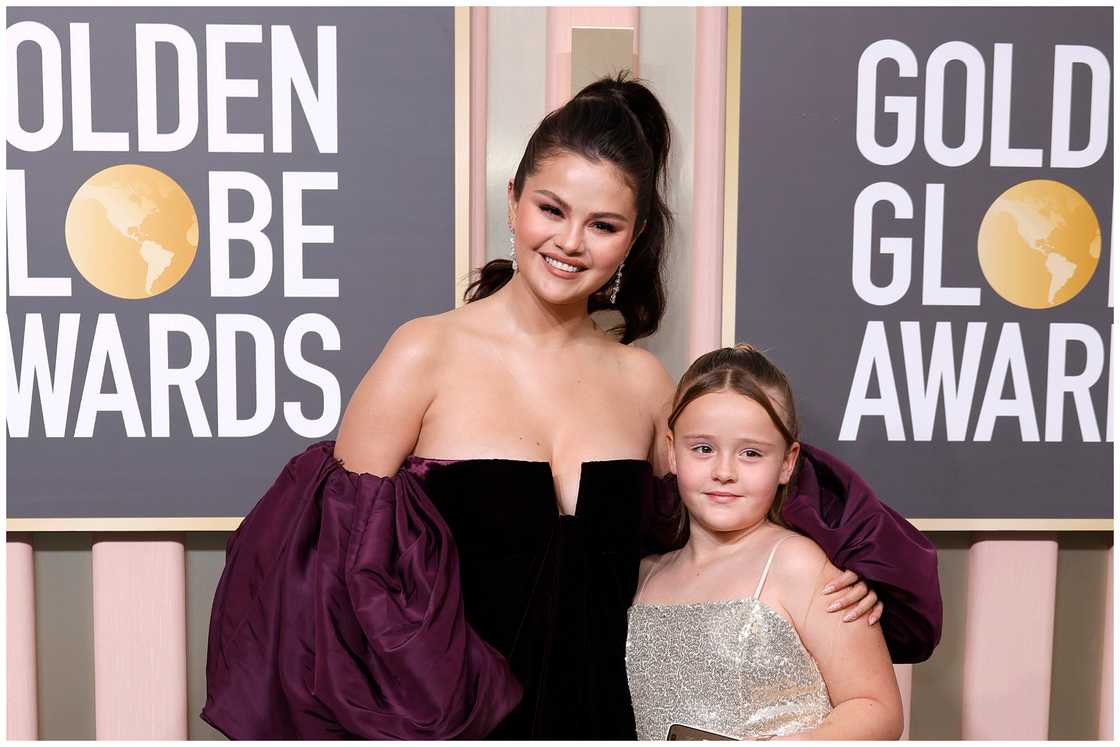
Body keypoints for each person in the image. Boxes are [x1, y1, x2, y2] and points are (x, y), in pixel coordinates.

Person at [202, 74, 938, 740]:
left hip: (614, 722)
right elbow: (329, 582)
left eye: (603, 225)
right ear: (515, 196)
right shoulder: (421, 355)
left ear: (635, 236)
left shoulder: (647, 383)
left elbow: (722, 516)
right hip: (458, 727)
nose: (569, 242)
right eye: (551, 208)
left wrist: (841, 581)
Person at [626, 345, 908, 740]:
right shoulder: (644, 576)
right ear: (673, 452)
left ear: (788, 462)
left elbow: (876, 708)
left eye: (751, 453)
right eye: (703, 449)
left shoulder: (797, 564)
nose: (724, 471)